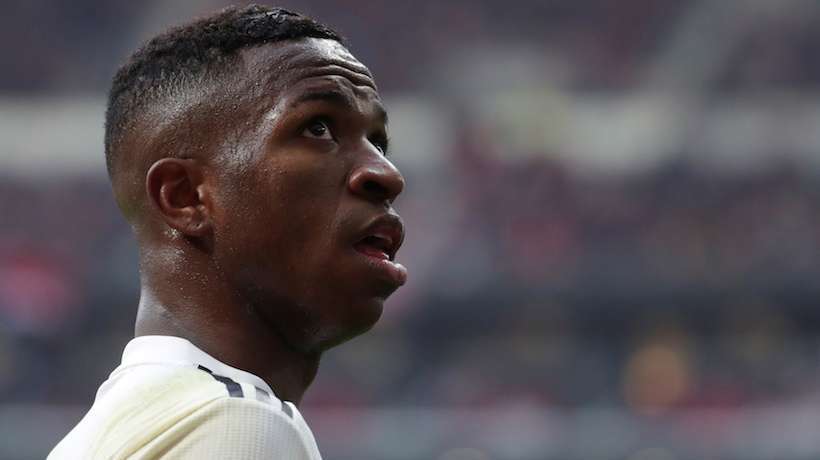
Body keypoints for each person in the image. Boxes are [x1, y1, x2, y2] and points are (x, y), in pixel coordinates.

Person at [49, 4, 407, 459]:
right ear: (185, 197)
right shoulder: (237, 423)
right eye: (318, 128)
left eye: (378, 142)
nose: (386, 174)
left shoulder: (111, 431)